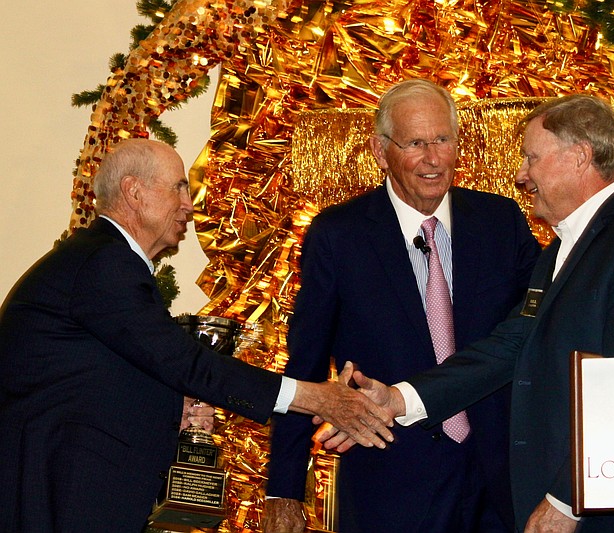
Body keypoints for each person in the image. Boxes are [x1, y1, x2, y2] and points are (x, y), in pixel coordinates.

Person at [322, 94, 614, 532]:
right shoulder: (564, 247)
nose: (521, 176)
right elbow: (511, 344)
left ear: (579, 157)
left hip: (595, 511)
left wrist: (568, 499)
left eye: (531, 158)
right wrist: (400, 399)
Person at [0, 139, 394, 533]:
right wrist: (313, 397)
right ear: (134, 192)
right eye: (178, 187)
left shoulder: (100, 259)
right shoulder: (105, 263)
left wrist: (175, 406)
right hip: (58, 491)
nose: (189, 205)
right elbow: (183, 361)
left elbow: (101, 378)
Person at [263, 79, 541, 533]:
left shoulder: (500, 222)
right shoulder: (338, 236)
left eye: (443, 140)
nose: (433, 159)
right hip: (390, 487)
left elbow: (535, 330)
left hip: (499, 482)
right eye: (415, 143)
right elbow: (305, 364)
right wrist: (285, 489)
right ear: (380, 150)